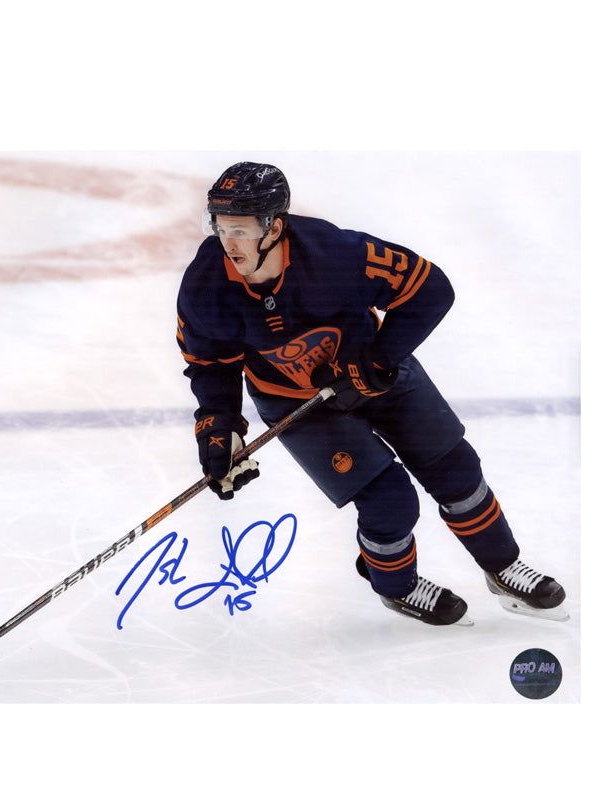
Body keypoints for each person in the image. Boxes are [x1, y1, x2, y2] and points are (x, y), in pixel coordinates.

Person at [175, 161, 567, 626]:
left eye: (239, 229)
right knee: (390, 500)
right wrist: (218, 429)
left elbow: (430, 288)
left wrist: (378, 360)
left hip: (376, 373)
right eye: (219, 228)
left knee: (456, 469)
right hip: (297, 405)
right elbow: (210, 364)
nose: (228, 242)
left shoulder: (335, 254)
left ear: (274, 226)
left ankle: (502, 566)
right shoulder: (205, 285)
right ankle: (396, 586)